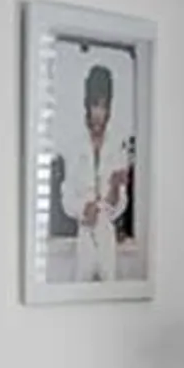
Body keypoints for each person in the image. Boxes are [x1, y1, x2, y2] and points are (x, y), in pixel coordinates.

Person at [62, 57, 138, 280]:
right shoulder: (74, 144)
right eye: (95, 105)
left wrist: (115, 188)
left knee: (109, 289)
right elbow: (66, 198)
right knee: (80, 289)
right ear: (87, 104)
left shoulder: (118, 145)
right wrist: (83, 209)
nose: (99, 113)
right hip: (84, 233)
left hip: (107, 235)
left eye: (104, 106)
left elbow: (119, 204)